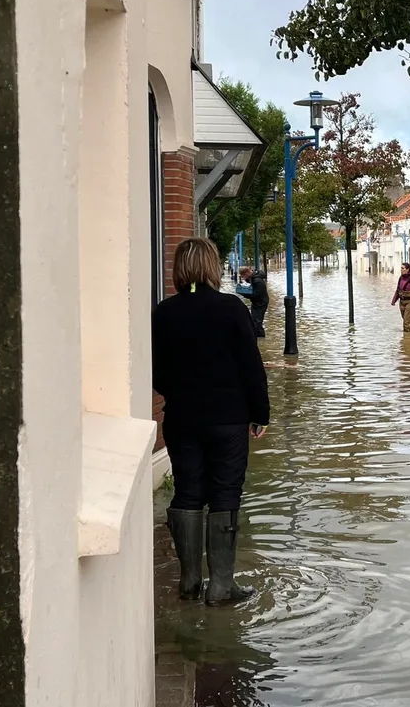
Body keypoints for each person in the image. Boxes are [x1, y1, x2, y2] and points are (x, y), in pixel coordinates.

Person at [152, 238, 270, 606]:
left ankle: (189, 583)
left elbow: (155, 370)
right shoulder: (231, 308)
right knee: (224, 492)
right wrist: (259, 412)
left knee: (187, 490)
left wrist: (180, 393)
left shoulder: (164, 312)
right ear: (213, 266)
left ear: (179, 269)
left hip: (182, 417)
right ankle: (221, 586)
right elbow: (251, 366)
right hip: (228, 418)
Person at [239, 265, 269, 337]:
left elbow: (256, 294)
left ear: (246, 273)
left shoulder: (258, 281)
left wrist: (244, 294)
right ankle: (258, 338)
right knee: (254, 321)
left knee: (257, 322)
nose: (242, 277)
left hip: (261, 303)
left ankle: (260, 337)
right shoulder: (252, 278)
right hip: (256, 302)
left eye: (243, 276)